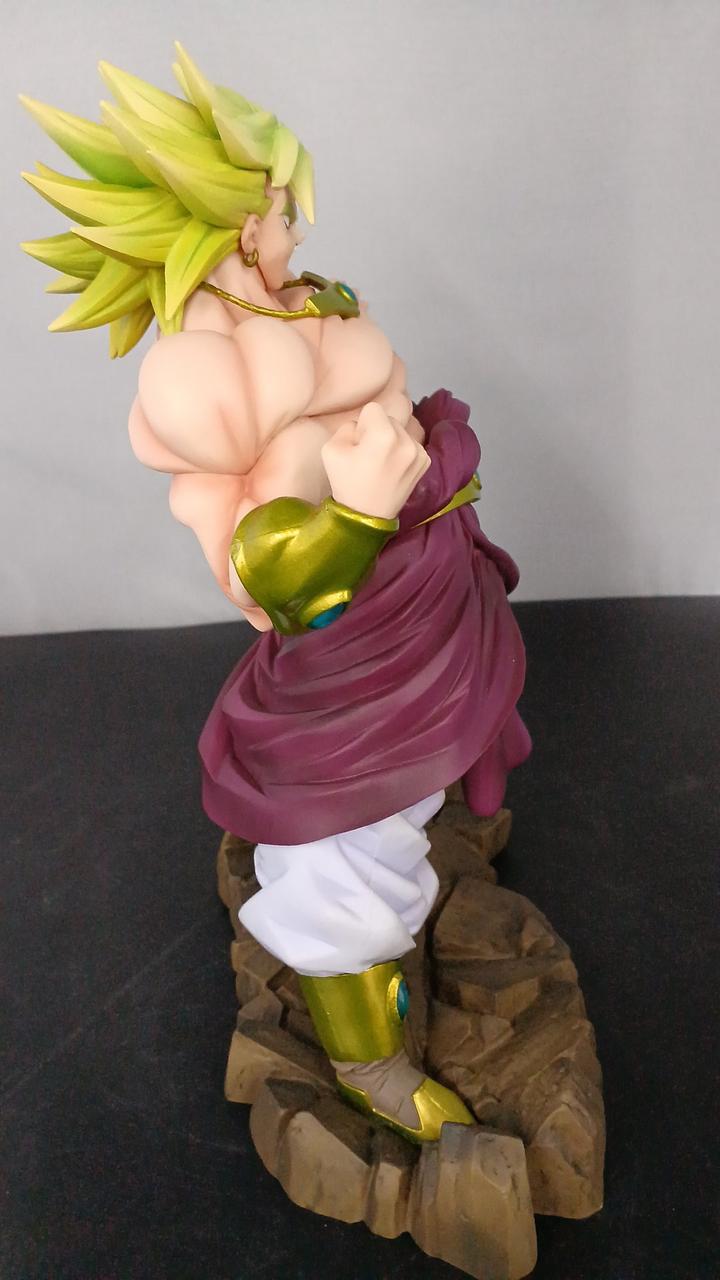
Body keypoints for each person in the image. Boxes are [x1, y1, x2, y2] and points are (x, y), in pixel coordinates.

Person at [21, 44, 531, 1144]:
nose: (299, 224)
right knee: (343, 852)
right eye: (282, 207)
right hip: (347, 638)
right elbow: (261, 566)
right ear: (237, 224)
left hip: (422, 587)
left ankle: (437, 830)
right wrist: (356, 513)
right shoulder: (205, 373)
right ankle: (368, 1063)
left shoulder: (303, 302)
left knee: (420, 781)